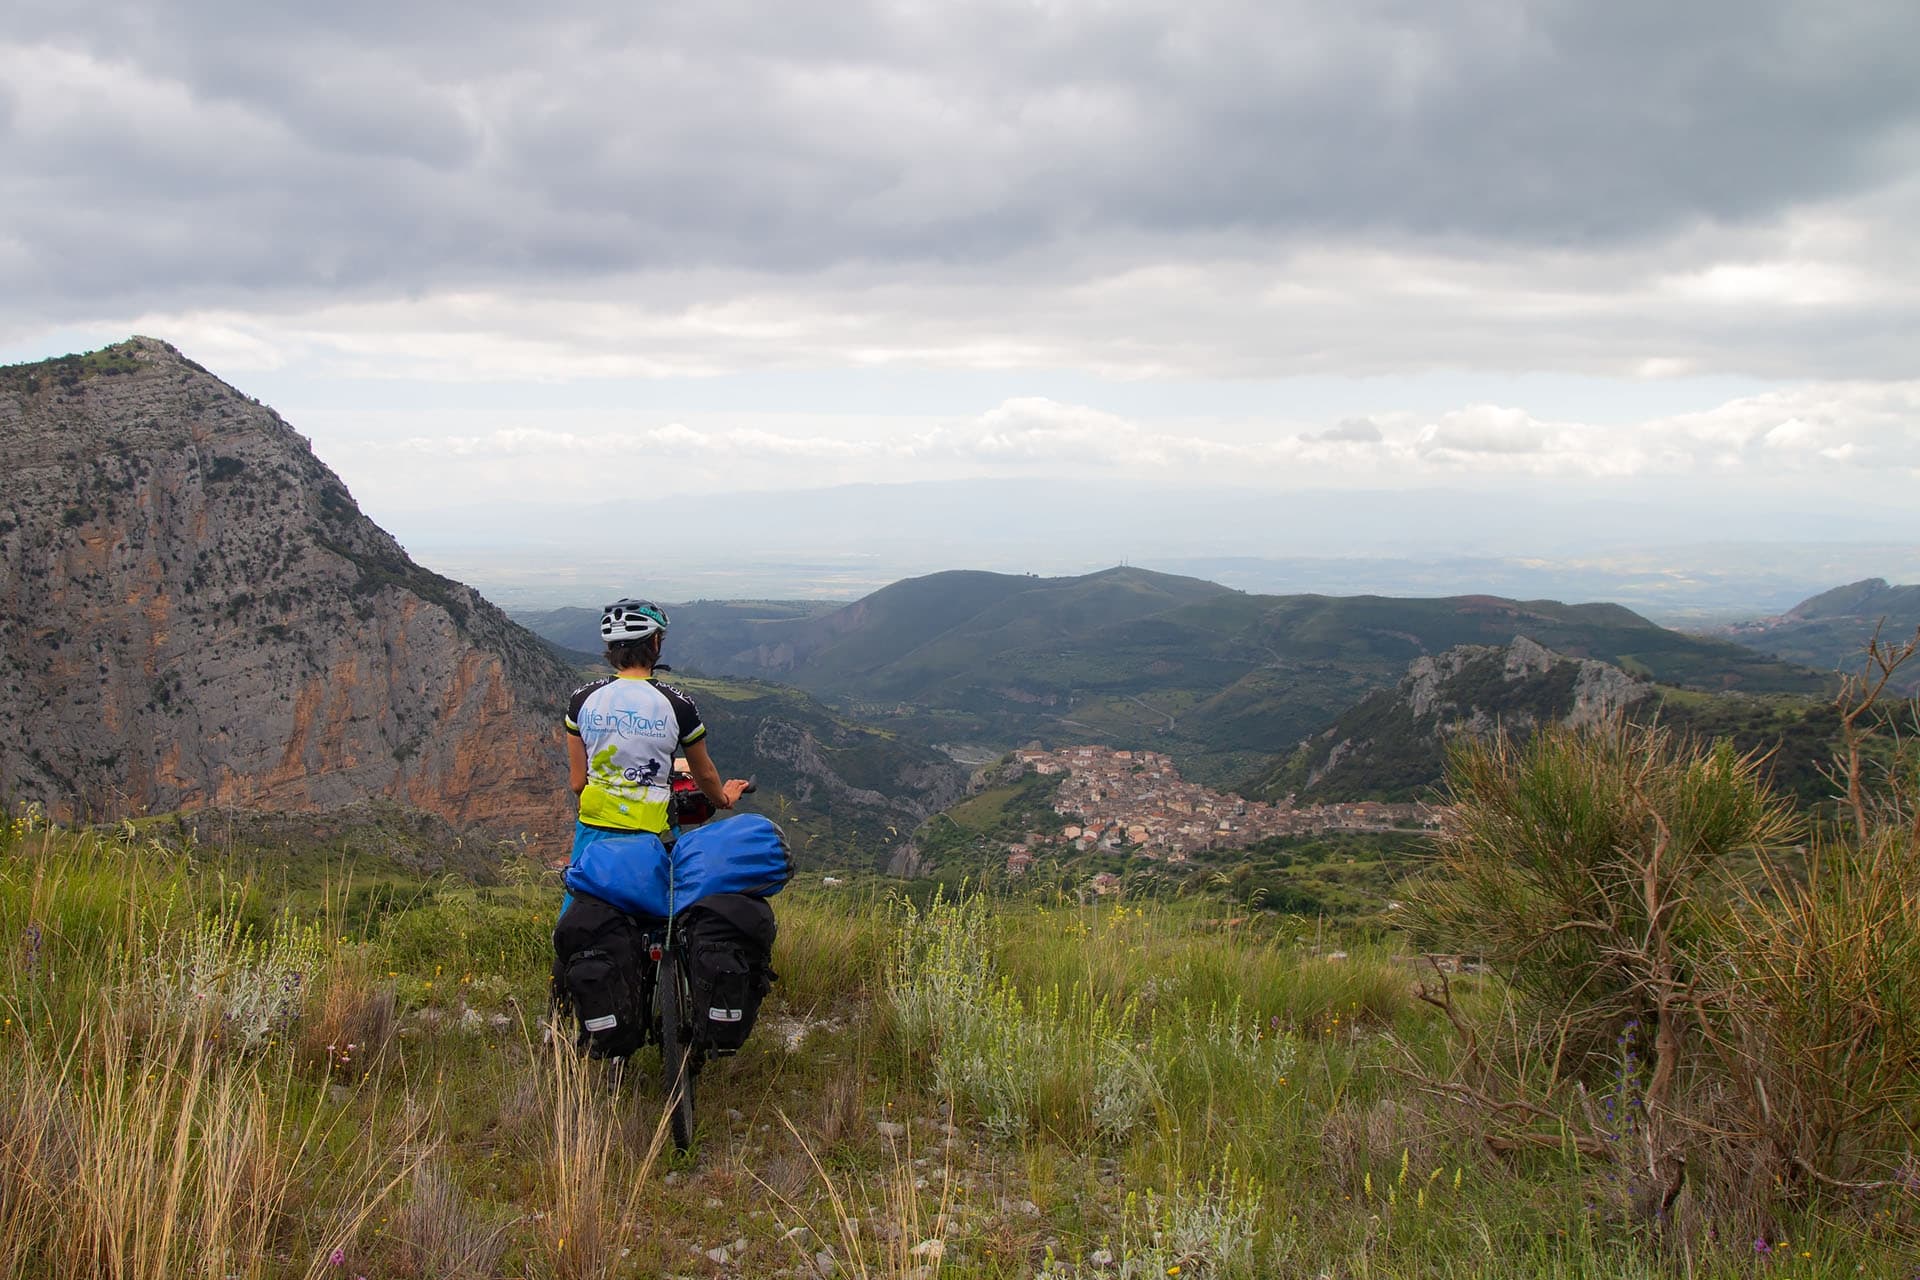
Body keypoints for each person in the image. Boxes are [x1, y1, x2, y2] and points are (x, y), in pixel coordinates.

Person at [565, 599, 749, 843]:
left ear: (610, 647)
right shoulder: (678, 703)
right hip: (653, 834)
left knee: (586, 882)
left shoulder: (582, 698)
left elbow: (578, 783)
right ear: (654, 641)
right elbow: (703, 774)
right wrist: (723, 799)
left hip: (594, 834)